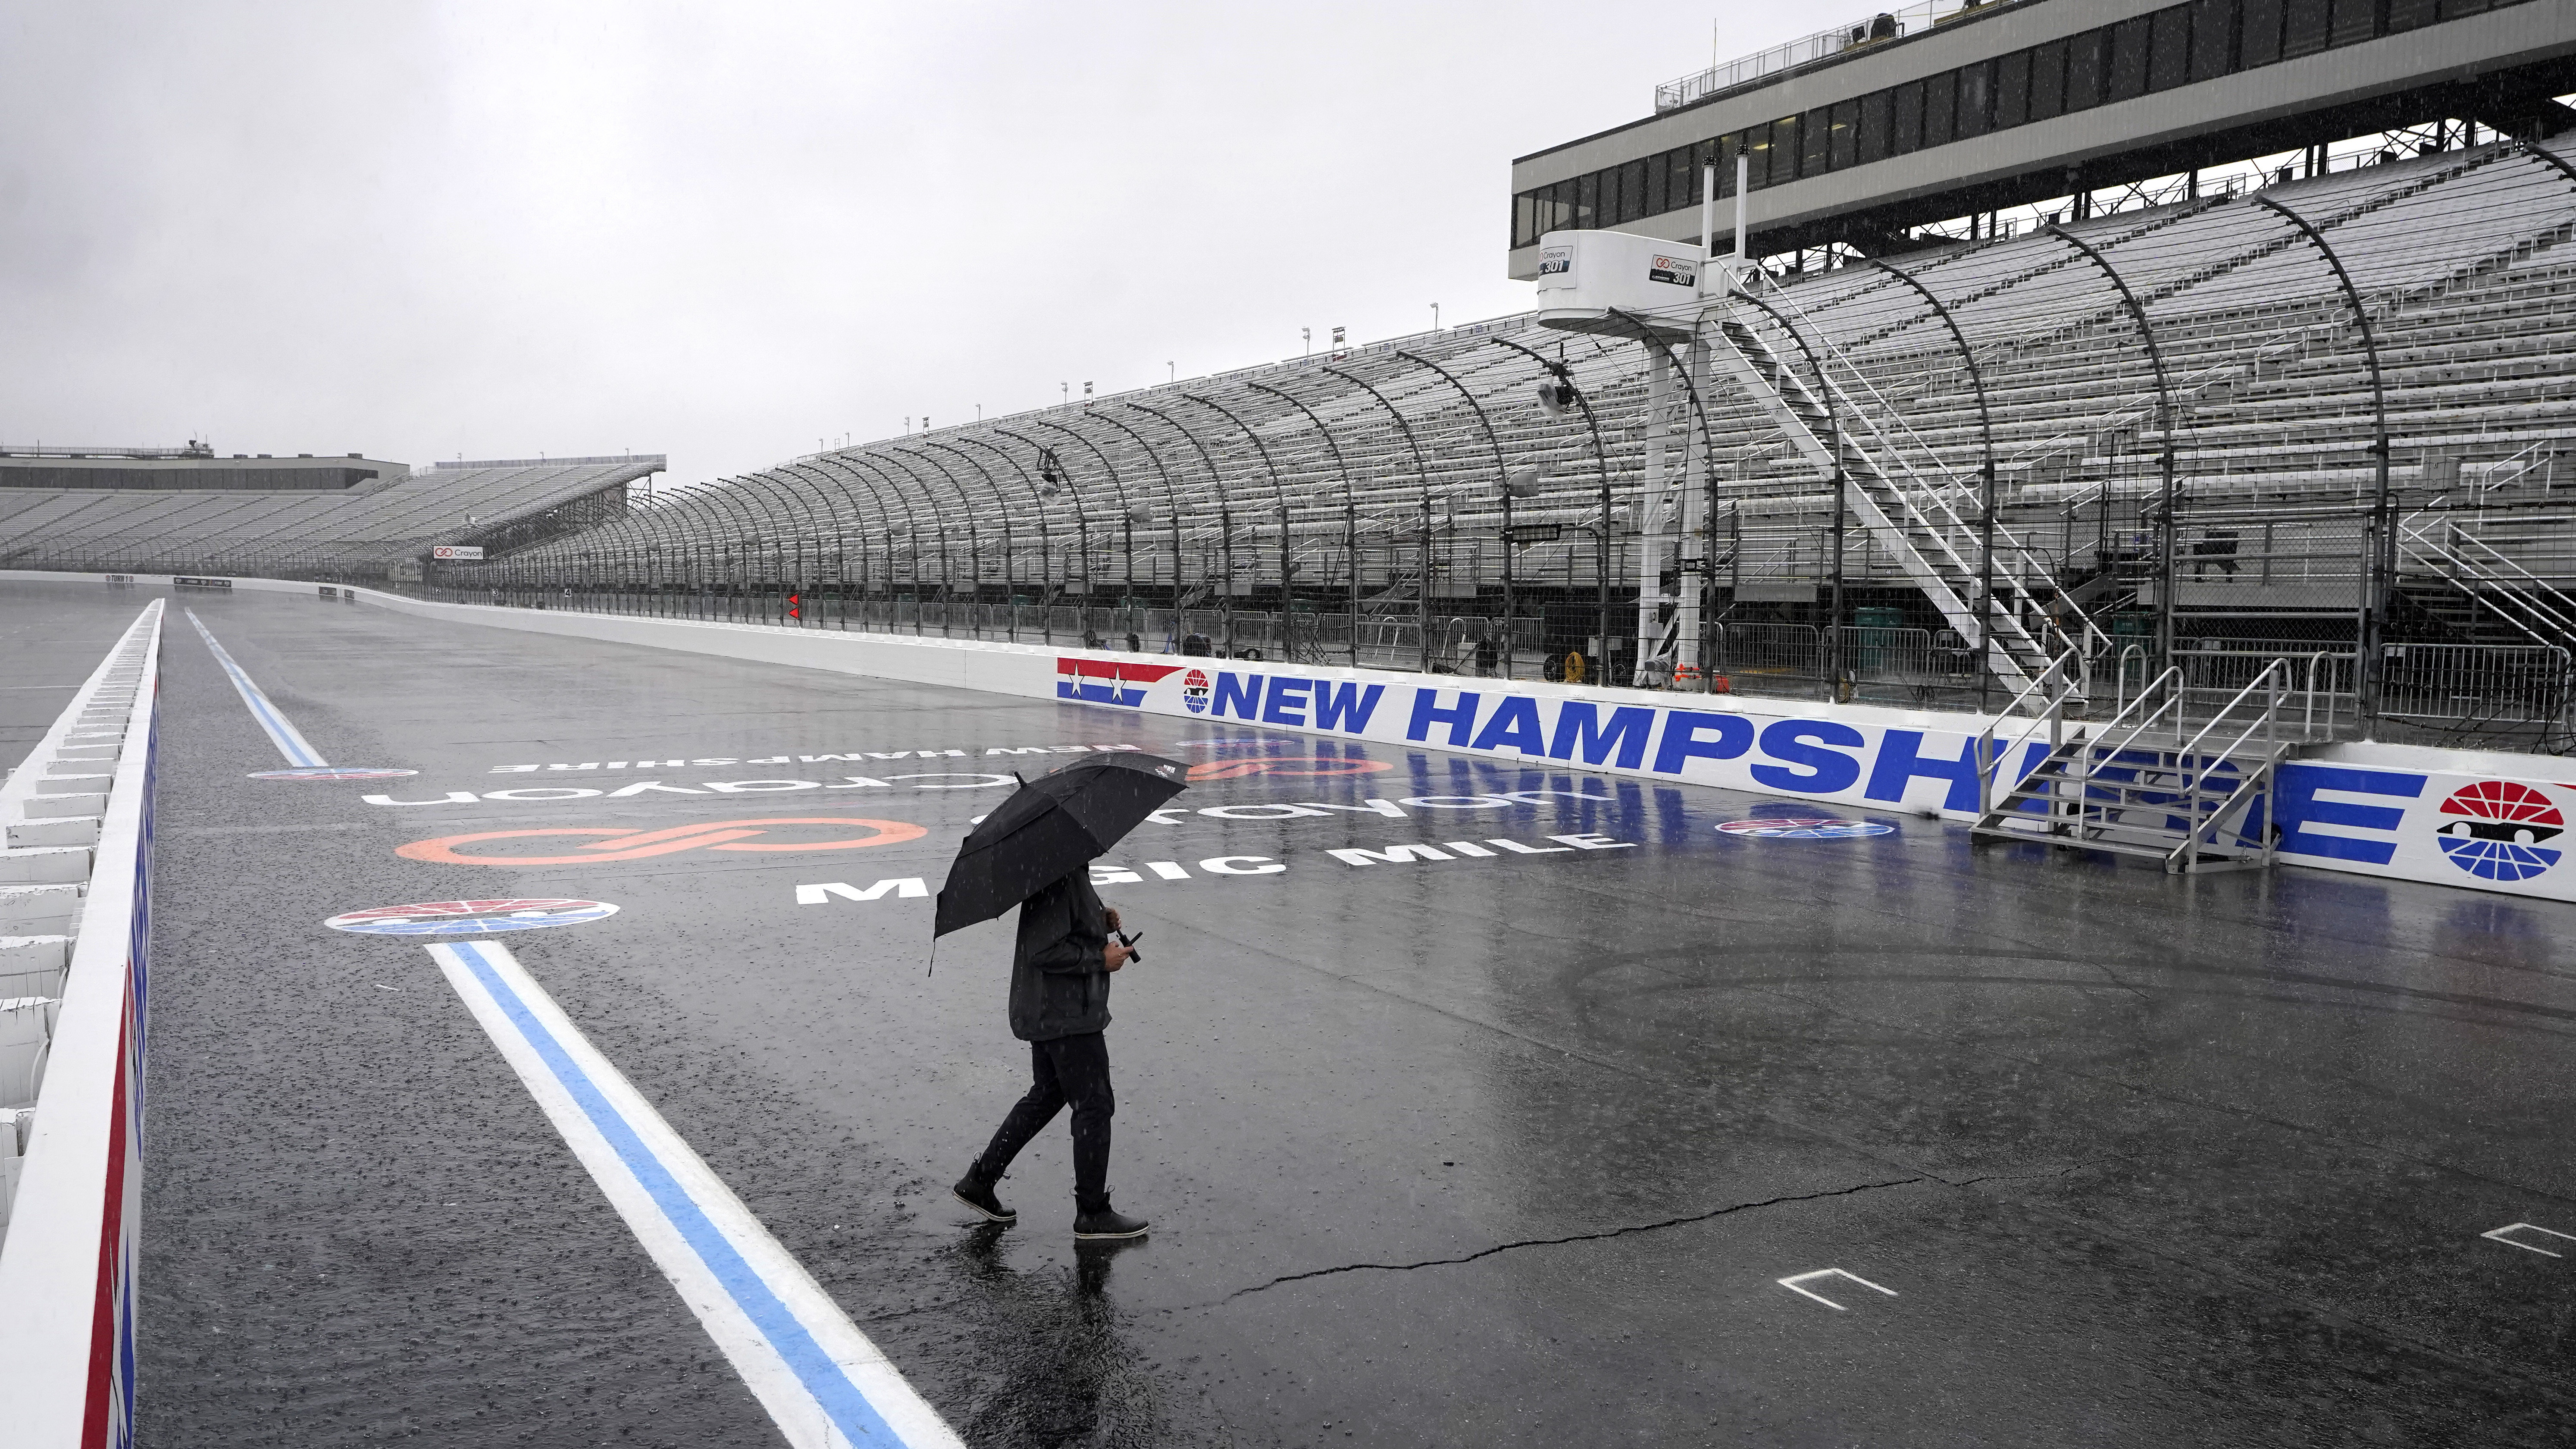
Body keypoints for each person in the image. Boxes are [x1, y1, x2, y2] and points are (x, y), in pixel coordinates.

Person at [953, 869, 1148, 1240]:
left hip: (1052, 1009)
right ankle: (1092, 1212)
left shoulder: (1063, 869)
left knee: (1048, 1094)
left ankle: (980, 1181)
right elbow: (1043, 949)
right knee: (1094, 1105)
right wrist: (1099, 958)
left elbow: (1061, 929)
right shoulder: (1059, 875)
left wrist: (1099, 921)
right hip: (1065, 1015)